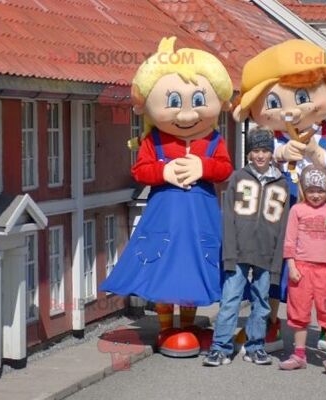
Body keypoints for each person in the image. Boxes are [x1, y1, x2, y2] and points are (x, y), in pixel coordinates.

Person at [100, 36, 234, 357]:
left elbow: (225, 169)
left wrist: (203, 166)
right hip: (164, 217)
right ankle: (165, 326)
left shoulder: (214, 139)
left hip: (201, 218)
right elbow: (140, 171)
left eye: (198, 100)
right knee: (162, 267)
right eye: (174, 102)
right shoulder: (154, 141)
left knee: (192, 269)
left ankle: (187, 325)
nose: (186, 115)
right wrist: (164, 172)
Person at [232, 39, 326, 353]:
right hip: (281, 219)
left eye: (303, 96)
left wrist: (316, 153)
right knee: (276, 268)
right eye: (275, 102)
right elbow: (252, 169)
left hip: (325, 218)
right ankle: (269, 324)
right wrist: (279, 154)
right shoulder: (269, 136)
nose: (292, 109)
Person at [203, 128, 289, 366]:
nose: (260, 155)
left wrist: (277, 261)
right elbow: (228, 219)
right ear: (249, 153)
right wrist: (229, 253)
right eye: (256, 150)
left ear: (272, 153)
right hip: (238, 250)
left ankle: (256, 346)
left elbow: (282, 226)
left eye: (265, 150)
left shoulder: (281, 184)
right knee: (230, 298)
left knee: (261, 300)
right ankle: (220, 347)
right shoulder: (238, 178)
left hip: (266, 251)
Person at [279, 165, 326, 374]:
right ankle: (299, 354)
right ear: (303, 190)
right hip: (301, 270)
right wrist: (291, 265)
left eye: (320, 191)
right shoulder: (297, 210)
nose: (315, 195)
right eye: (311, 191)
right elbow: (289, 241)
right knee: (299, 313)